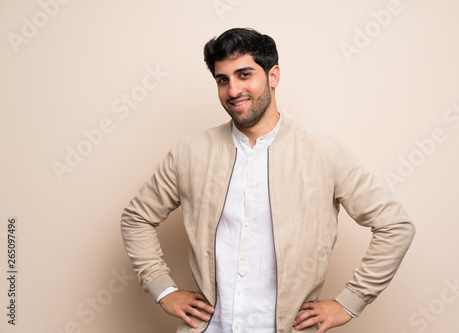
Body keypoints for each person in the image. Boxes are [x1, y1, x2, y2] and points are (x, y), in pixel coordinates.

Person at [121, 27, 415, 333]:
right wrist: (163, 289)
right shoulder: (189, 153)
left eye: (244, 74)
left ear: (273, 76)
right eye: (223, 80)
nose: (233, 90)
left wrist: (350, 301)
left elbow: (395, 225)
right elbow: (136, 217)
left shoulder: (324, 152)